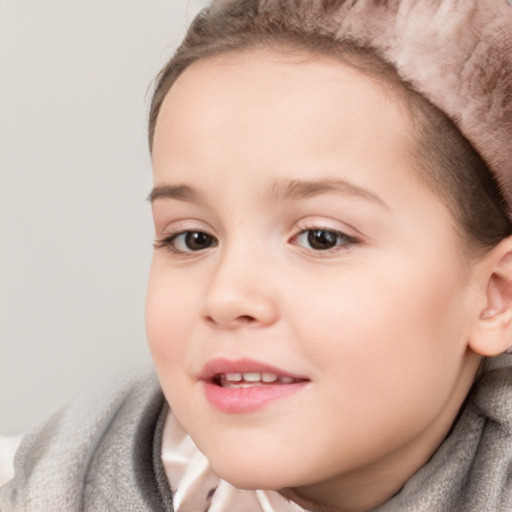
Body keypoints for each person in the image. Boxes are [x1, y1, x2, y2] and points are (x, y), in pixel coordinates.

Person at [2, 0, 512, 510]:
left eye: (321, 238)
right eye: (192, 238)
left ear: (495, 296)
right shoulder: (64, 478)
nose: (226, 296)